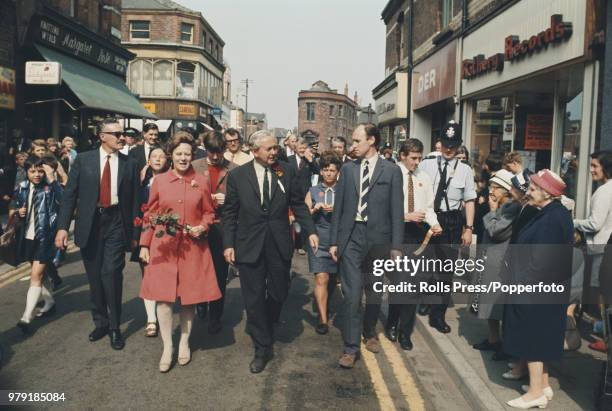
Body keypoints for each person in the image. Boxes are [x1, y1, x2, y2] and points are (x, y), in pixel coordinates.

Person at [222, 129, 318, 373]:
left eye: (276, 148)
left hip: (278, 243)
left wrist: (311, 231)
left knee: (279, 290)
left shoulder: (284, 172)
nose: (275, 152)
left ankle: (267, 317)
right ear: (255, 151)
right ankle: (262, 348)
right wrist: (229, 244)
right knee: (253, 299)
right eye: (269, 148)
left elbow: (297, 203)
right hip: (249, 244)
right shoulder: (238, 177)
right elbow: (230, 214)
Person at [55, 118, 140, 351]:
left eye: (123, 134)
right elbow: (69, 196)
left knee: (111, 273)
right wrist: (63, 227)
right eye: (117, 134)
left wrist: (135, 232)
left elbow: (134, 201)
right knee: (94, 278)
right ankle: (100, 322)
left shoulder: (129, 163)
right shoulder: (83, 161)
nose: (122, 137)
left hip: (116, 222)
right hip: (90, 224)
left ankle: (114, 327)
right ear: (102, 136)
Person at [139, 132, 221, 373]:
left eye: (187, 154)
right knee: (163, 300)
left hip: (192, 249)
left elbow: (209, 213)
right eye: (179, 154)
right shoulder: (160, 181)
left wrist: (203, 226)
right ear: (170, 156)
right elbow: (149, 215)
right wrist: (144, 244)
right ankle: (168, 346)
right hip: (163, 248)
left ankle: (184, 342)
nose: (184, 158)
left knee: (188, 299)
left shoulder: (202, 181)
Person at [329, 123, 404, 368]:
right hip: (351, 237)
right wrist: (334, 241)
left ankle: (369, 330)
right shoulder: (348, 170)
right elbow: (338, 209)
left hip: (379, 239)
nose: (352, 146)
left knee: (374, 291)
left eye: (356, 141)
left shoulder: (391, 171)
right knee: (351, 295)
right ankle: (351, 348)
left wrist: (396, 247)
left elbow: (396, 211)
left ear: (371, 141)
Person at [503, 169, 574, 409]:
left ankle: (534, 394)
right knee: (541, 340)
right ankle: (542, 385)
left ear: (547, 193)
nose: (529, 193)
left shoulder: (551, 220)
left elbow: (540, 262)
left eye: (533, 189)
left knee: (533, 340)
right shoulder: (553, 212)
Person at [418, 121, 476, 333]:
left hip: (451, 221)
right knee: (425, 267)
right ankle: (426, 297)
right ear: (439, 143)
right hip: (427, 219)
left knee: (445, 271)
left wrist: (468, 228)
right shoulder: (426, 164)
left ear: (459, 145)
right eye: (445, 144)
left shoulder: (465, 170)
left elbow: (469, 200)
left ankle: (438, 315)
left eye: (453, 145)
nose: (449, 149)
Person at [385, 139, 442, 351]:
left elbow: (428, 208)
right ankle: (391, 322)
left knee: (414, 287)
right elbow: (384, 209)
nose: (417, 162)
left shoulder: (424, 178)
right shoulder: (391, 174)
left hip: (418, 236)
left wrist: (435, 224)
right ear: (402, 156)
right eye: (413, 158)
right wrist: (405, 216)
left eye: (419, 158)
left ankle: (404, 332)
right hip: (398, 235)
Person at [192, 131, 237, 333]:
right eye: (211, 152)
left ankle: (215, 316)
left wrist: (226, 199)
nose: (216, 157)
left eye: (219, 152)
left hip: (222, 226)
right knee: (198, 270)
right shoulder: (194, 167)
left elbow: (240, 201)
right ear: (205, 149)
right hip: (199, 225)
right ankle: (200, 303)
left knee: (219, 274)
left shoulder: (234, 170)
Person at [12, 158, 62, 333]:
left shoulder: (50, 187)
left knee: (36, 275)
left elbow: (64, 201)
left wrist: (52, 178)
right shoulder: (22, 187)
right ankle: (50, 302)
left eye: (40, 171)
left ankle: (26, 316)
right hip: (27, 237)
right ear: (26, 171)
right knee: (41, 276)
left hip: (45, 237)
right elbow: (13, 206)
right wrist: (18, 211)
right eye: (33, 171)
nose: (37, 175)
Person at [472, 169, 517, 360]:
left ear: (506, 190)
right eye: (491, 186)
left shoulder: (511, 208)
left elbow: (496, 231)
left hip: (500, 261)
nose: (491, 190)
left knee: (497, 304)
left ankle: (505, 345)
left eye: (496, 187)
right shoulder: (499, 204)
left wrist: (491, 211)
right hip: (489, 257)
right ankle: (493, 339)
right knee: (487, 302)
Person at [574, 150, 612, 352]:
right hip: (606, 247)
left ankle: (606, 338)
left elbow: (595, 223)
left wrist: (574, 222)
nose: (591, 170)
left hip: (600, 249)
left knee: (601, 297)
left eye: (595, 166)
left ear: (606, 168)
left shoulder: (604, 191)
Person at [131, 144, 168, 338]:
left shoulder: (172, 179)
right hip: (144, 230)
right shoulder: (141, 181)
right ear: (148, 160)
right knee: (147, 274)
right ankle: (151, 319)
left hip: (166, 232)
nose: (158, 159)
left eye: (162, 156)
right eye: (154, 156)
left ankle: (164, 314)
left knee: (164, 275)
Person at [304, 151, 341, 335]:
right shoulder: (313, 191)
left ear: (338, 172)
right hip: (318, 238)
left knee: (333, 279)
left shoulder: (344, 190)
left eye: (332, 170)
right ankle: (323, 318)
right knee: (321, 278)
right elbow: (303, 216)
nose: (328, 174)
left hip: (338, 239)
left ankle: (326, 302)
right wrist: (314, 208)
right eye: (325, 170)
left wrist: (339, 209)